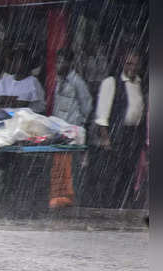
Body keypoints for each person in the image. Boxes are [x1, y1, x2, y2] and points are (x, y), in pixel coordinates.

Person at [88, 50, 146, 208]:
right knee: (113, 174)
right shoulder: (111, 83)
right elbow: (102, 114)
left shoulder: (140, 84)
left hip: (133, 136)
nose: (132, 68)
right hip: (117, 135)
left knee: (129, 173)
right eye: (129, 64)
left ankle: (123, 205)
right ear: (123, 64)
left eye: (135, 64)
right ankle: (109, 206)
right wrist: (106, 138)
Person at [49, 48, 93, 208]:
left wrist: (78, 124)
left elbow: (87, 106)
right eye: (58, 61)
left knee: (69, 167)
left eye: (62, 61)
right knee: (58, 165)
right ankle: (58, 198)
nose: (59, 65)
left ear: (70, 63)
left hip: (72, 133)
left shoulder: (77, 82)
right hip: (59, 131)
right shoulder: (59, 80)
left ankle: (68, 200)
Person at [0, 47, 46, 114]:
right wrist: (13, 100)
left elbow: (22, 105)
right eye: (12, 60)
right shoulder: (5, 79)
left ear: (26, 63)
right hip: (3, 119)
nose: (12, 63)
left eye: (16, 60)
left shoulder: (33, 82)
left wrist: (7, 100)